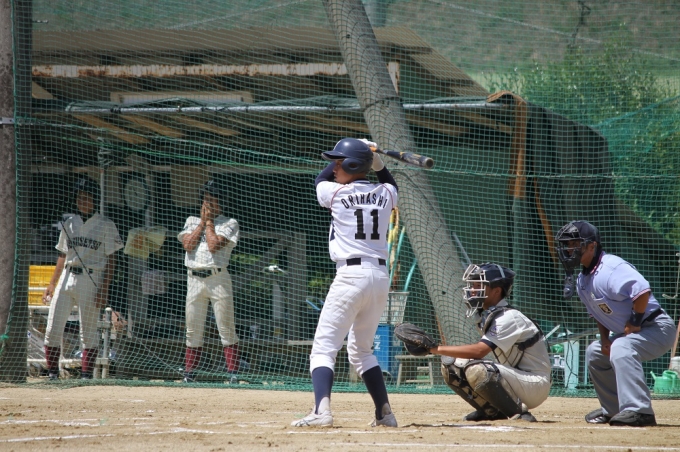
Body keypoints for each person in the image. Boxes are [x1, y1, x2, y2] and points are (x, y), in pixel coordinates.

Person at [291, 138, 398, 428]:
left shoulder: (335, 192)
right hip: (379, 278)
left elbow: (320, 179)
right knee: (362, 351)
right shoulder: (385, 192)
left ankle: (321, 411)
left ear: (352, 165)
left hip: (351, 276)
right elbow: (388, 181)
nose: (334, 167)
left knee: (324, 347)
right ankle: (385, 414)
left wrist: (363, 153)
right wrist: (375, 159)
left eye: (340, 162)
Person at [555, 220, 677, 427]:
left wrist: (634, 321)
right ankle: (613, 410)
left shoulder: (611, 267)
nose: (569, 249)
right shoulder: (583, 280)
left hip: (657, 327)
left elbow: (642, 291)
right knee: (595, 352)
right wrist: (604, 339)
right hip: (632, 333)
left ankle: (640, 411)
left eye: (575, 244)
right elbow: (598, 313)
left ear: (592, 246)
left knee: (621, 346)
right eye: (567, 245)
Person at [427, 262, 551, 422]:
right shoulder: (487, 315)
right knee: (452, 364)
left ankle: (519, 412)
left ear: (497, 291)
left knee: (480, 369)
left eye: (478, 286)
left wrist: (434, 348)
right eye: (472, 285)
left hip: (535, 384)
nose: (472, 290)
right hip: (517, 379)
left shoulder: (509, 317)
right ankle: (491, 410)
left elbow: (479, 351)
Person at [42, 177, 124, 380]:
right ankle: (52, 374)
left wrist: (104, 289)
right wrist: (52, 283)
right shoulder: (69, 223)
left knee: (88, 331)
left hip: (91, 278)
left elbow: (112, 259)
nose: (82, 201)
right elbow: (62, 255)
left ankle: (86, 375)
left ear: (95, 199)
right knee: (52, 328)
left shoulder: (106, 224)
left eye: (87, 197)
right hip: (67, 276)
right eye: (79, 197)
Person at [178, 178, 240, 383]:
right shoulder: (191, 220)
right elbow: (188, 245)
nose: (207, 203)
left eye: (212, 200)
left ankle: (233, 373)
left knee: (225, 326)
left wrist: (210, 221)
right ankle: (189, 373)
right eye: (205, 199)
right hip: (194, 278)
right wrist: (202, 223)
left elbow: (214, 246)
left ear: (222, 202)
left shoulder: (230, 223)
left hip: (218, 278)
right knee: (192, 328)